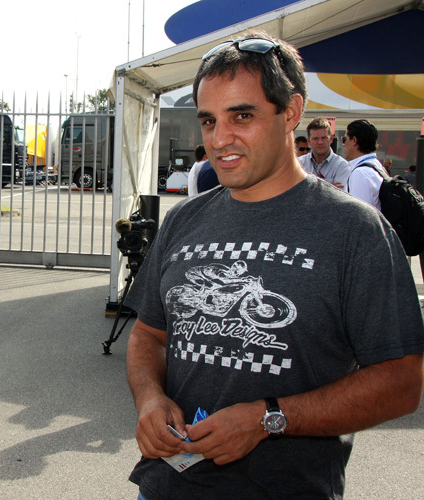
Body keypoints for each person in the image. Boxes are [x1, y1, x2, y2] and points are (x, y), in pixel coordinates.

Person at [124, 32, 424, 500]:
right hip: (165, 487)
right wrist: (149, 398)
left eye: (242, 115)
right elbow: (148, 336)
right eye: (208, 120)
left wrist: (269, 418)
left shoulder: (355, 230)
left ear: (292, 112)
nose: (220, 138)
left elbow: (402, 382)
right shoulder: (183, 220)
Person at [343, 119, 385, 211]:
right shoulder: (377, 166)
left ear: (354, 140)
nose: (344, 144)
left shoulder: (360, 174)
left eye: (345, 139)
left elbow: (359, 217)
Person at [297, 117, 349, 188]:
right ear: (308, 141)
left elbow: (339, 196)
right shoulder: (299, 163)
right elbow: (295, 194)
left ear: (331, 139)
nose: (320, 142)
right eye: (315, 138)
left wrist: (307, 188)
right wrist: (329, 188)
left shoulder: (341, 165)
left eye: (324, 138)